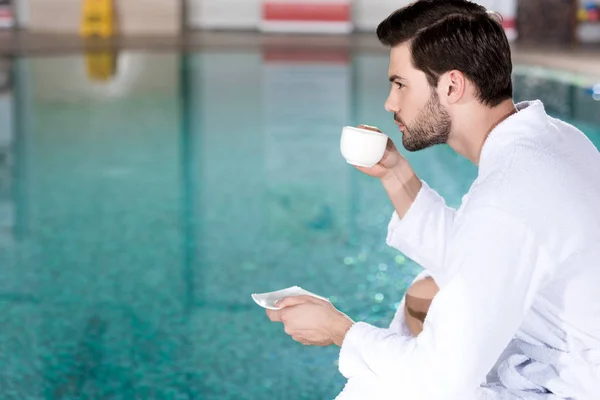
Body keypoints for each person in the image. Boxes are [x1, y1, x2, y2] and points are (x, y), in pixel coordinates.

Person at [265, 1, 600, 398]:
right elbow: (477, 253)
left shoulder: (507, 195)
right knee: (425, 292)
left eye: (400, 84)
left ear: (452, 86)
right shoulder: (552, 138)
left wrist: (340, 330)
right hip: (570, 344)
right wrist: (393, 171)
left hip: (576, 383)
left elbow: (439, 377)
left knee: (377, 387)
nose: (390, 103)